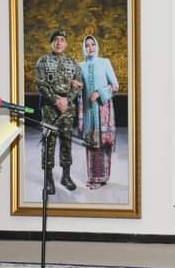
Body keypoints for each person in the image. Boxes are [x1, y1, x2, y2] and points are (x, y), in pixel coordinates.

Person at [35, 29, 83, 194]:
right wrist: (56, 101)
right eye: (56, 39)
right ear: (51, 43)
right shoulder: (43, 61)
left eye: (62, 39)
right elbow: (41, 84)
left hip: (67, 110)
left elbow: (78, 85)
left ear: (66, 43)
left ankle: (66, 176)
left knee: (66, 142)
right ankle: (48, 179)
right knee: (49, 143)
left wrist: (67, 100)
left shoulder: (73, 63)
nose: (59, 42)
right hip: (49, 108)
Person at [78, 34, 119, 189]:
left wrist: (100, 92)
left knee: (103, 144)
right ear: (84, 48)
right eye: (87, 45)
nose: (90, 48)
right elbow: (78, 89)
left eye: (93, 44)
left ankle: (103, 177)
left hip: (103, 112)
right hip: (89, 112)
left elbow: (115, 85)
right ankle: (93, 178)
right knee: (92, 144)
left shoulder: (104, 62)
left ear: (97, 46)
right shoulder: (80, 66)